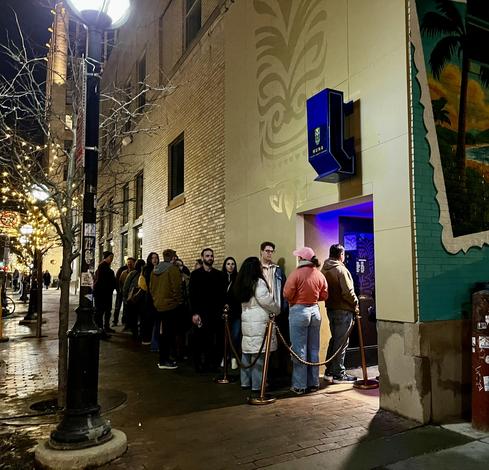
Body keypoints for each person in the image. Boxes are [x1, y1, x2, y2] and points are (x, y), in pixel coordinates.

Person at [284, 247, 328, 395]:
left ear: (302, 259)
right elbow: (324, 295)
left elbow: (287, 294)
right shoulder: (319, 274)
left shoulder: (296, 274)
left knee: (299, 350)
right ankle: (314, 383)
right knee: (313, 349)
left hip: (299, 311)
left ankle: (299, 385)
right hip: (315, 311)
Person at [234, 257, 279, 394]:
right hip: (259, 321)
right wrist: (277, 309)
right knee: (259, 355)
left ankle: (245, 382)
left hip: (247, 319)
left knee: (247, 353)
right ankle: (258, 385)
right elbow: (266, 301)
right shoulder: (258, 282)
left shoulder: (241, 283)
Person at [321, 244, 359, 383]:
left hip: (330, 308)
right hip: (343, 309)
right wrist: (356, 302)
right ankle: (339, 374)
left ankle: (329, 371)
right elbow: (348, 292)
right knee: (341, 342)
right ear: (341, 255)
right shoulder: (341, 270)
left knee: (335, 339)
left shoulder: (324, 269)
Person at [189, 248, 226, 372]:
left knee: (213, 341)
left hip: (215, 313)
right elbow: (192, 295)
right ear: (203, 257)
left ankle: (211, 364)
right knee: (198, 340)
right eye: (207, 256)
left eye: (211, 256)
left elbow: (222, 295)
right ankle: (198, 364)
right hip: (200, 312)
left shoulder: (219, 275)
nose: (210, 258)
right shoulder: (195, 275)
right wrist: (194, 313)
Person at [150, 249, 182, 370]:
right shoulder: (172, 269)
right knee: (169, 334)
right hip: (170, 306)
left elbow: (151, 288)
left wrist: (156, 300)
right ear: (173, 257)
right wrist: (177, 301)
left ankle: (162, 358)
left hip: (158, 306)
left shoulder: (155, 270)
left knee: (162, 332)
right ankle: (165, 360)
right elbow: (176, 287)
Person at [260, 241, 288, 375]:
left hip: (275, 309)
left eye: (271, 251)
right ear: (261, 251)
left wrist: (282, 307)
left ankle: (275, 371)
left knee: (276, 342)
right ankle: (264, 372)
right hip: (261, 310)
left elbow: (284, 289)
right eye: (267, 251)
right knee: (262, 342)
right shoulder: (257, 269)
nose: (269, 253)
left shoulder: (277, 270)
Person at [222, 256, 241, 370]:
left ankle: (234, 357)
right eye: (228, 264)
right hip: (224, 312)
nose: (230, 266)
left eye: (232, 264)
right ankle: (225, 356)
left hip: (236, 312)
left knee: (235, 335)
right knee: (224, 336)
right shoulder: (220, 277)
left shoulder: (238, 278)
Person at [93, 251, 117, 339]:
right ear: (106, 257)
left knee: (106, 311)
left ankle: (105, 327)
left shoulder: (105, 266)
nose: (111, 259)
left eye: (112, 257)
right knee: (100, 312)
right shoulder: (103, 267)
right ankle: (100, 330)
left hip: (105, 293)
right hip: (102, 294)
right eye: (110, 257)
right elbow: (102, 281)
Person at [139, 252, 160, 347]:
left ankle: (153, 339)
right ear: (149, 259)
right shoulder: (147, 269)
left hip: (155, 298)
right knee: (147, 319)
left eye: (156, 258)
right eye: (153, 258)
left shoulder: (158, 268)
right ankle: (146, 338)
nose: (155, 260)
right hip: (148, 298)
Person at [123, 259, 146, 340]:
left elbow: (126, 286)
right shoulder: (139, 273)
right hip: (139, 298)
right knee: (138, 316)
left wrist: (125, 297)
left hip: (133, 298)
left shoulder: (133, 273)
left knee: (134, 317)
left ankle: (135, 333)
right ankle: (137, 333)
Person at [113, 262, 128, 327]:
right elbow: (117, 280)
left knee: (125, 307)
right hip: (120, 291)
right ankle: (115, 321)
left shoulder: (133, 270)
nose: (130, 264)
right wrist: (118, 290)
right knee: (117, 307)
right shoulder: (122, 270)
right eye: (129, 263)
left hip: (126, 292)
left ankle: (124, 321)